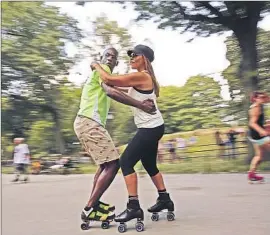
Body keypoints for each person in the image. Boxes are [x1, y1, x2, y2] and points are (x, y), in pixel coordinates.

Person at [91, 44, 174, 225]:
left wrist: (96, 65)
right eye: (129, 55)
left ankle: (133, 207)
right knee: (149, 165)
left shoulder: (141, 76)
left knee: (126, 162)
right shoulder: (143, 78)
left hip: (149, 129)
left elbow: (109, 78)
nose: (131, 57)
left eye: (134, 54)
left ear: (144, 58)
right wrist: (107, 85)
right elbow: (118, 88)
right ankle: (165, 199)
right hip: (154, 127)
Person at [74, 47, 157, 223]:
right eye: (107, 55)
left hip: (87, 122)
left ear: (117, 62)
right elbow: (111, 91)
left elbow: (116, 88)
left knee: (105, 165)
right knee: (113, 164)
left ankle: (94, 204)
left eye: (113, 57)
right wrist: (141, 105)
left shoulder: (103, 73)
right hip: (89, 122)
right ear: (101, 58)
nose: (110, 58)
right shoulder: (101, 72)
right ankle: (89, 208)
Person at [248, 91, 270, 182]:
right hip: (258, 135)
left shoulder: (258, 105)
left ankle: (251, 175)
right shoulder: (256, 107)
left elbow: (268, 100)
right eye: (260, 97)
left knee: (259, 156)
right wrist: (262, 131)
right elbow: (252, 123)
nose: (263, 99)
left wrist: (264, 125)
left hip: (254, 135)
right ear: (255, 99)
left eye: (263, 97)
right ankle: (252, 175)